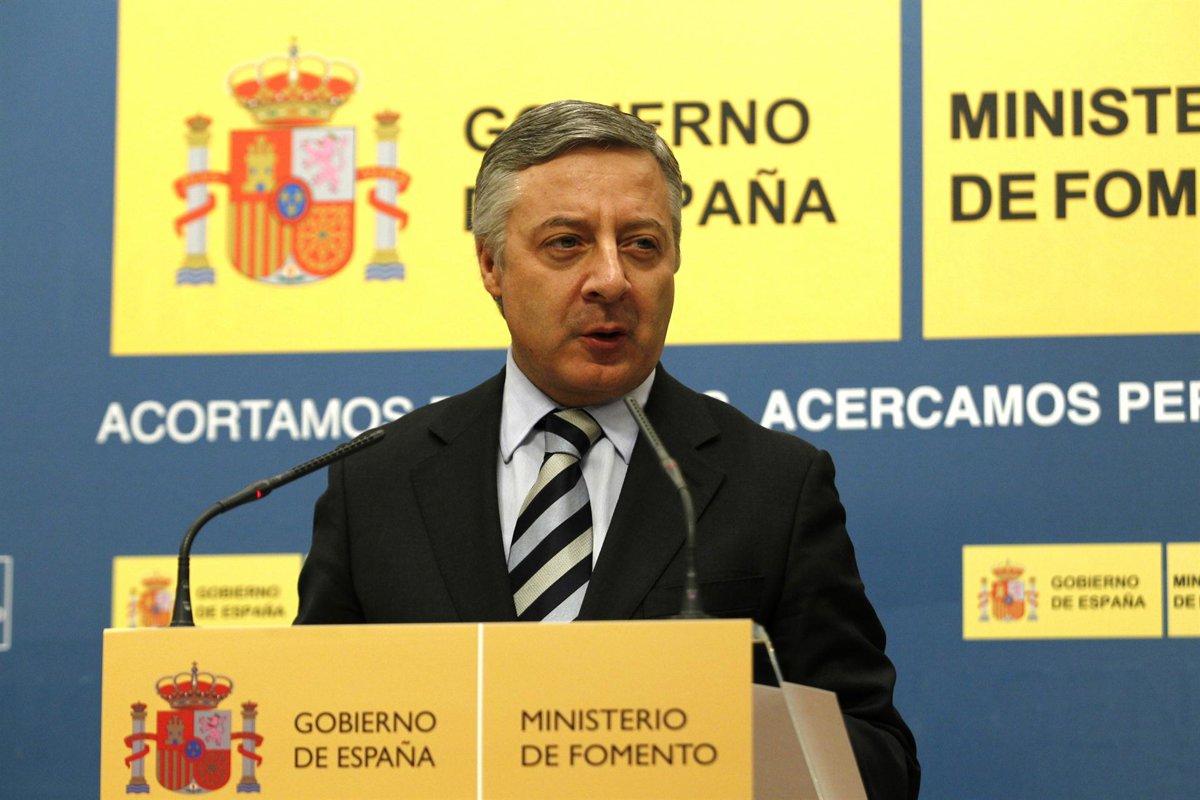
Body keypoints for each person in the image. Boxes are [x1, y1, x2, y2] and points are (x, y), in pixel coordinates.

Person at [296, 99, 919, 798]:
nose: (612, 280)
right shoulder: (375, 484)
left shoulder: (774, 485)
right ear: (491, 265)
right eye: (567, 243)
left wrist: (709, 734)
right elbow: (311, 739)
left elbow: (879, 759)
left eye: (642, 245)